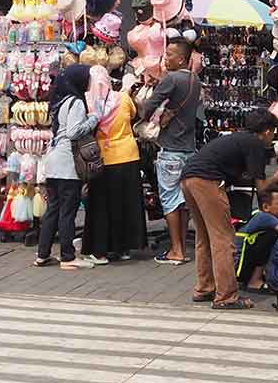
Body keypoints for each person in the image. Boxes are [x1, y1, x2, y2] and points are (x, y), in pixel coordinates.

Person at [179, 107, 278, 309]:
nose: (272, 137)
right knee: (223, 239)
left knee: (204, 236)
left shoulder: (238, 139)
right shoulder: (255, 144)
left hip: (188, 178)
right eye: (273, 132)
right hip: (207, 181)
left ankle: (205, 288)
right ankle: (226, 296)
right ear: (266, 131)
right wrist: (277, 177)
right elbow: (261, 186)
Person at [139, 37, 202, 265]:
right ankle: (181, 245)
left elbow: (148, 107)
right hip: (188, 148)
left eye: (170, 55)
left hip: (171, 149)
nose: (166, 58)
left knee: (169, 200)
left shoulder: (172, 79)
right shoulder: (195, 79)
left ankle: (176, 250)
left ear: (182, 58)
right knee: (183, 200)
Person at [34, 64, 100, 270]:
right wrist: (93, 119)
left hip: (54, 163)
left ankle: (42, 254)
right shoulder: (76, 103)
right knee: (67, 211)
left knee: (53, 210)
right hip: (67, 164)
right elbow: (73, 132)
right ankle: (68, 256)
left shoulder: (61, 101)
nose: (89, 81)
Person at [81, 67, 148, 264]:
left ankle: (101, 249)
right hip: (128, 155)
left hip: (103, 158)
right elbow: (134, 114)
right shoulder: (123, 99)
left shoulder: (89, 103)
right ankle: (124, 248)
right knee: (126, 203)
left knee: (102, 205)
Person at [235, 188, 278, 292]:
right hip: (239, 268)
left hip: (237, 267)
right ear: (266, 207)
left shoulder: (256, 213)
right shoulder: (265, 217)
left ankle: (258, 275)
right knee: (271, 237)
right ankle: (254, 281)